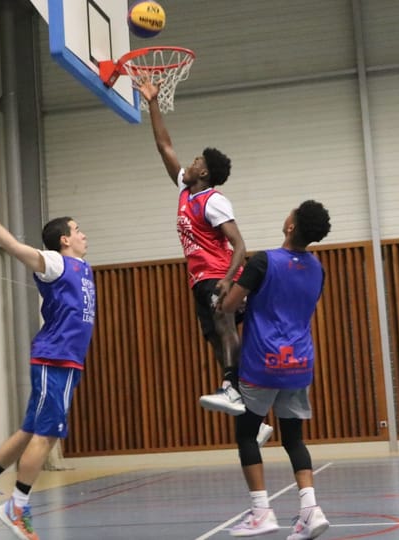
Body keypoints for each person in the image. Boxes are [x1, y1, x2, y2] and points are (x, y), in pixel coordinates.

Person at [137, 79, 272, 446]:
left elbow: (240, 245)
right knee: (215, 337)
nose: (191, 162)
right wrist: (152, 102)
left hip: (220, 275)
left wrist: (229, 281)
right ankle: (253, 417)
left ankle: (231, 387)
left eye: (197, 160)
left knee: (224, 324)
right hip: (199, 278)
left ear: (206, 173)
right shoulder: (186, 193)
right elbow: (164, 145)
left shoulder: (213, 201)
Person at [0, 191, 96, 540]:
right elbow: (15, 248)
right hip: (55, 358)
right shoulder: (55, 263)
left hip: (67, 361)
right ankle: (17, 506)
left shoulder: (85, 268)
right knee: (46, 435)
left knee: (31, 430)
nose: (84, 234)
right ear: (65, 239)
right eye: (78, 230)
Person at [218, 200, 332, 539]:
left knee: (246, 433)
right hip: (299, 363)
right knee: (293, 437)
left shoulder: (265, 261)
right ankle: (311, 509)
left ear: (291, 226)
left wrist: (222, 294)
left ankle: (261, 511)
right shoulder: (317, 267)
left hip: (262, 362)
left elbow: (228, 306)